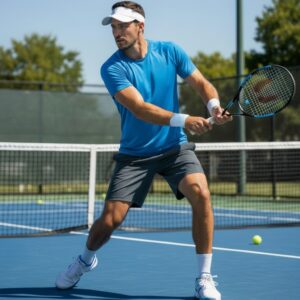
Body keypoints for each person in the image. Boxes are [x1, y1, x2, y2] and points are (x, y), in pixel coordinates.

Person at [55, 2, 231, 299]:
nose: (117, 32)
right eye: (113, 26)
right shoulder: (112, 68)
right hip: (135, 155)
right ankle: (85, 260)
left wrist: (213, 106)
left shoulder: (170, 51)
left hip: (174, 148)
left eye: (123, 25)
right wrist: (185, 119)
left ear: (141, 26)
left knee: (201, 193)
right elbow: (140, 109)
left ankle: (204, 278)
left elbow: (201, 83)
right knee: (110, 222)